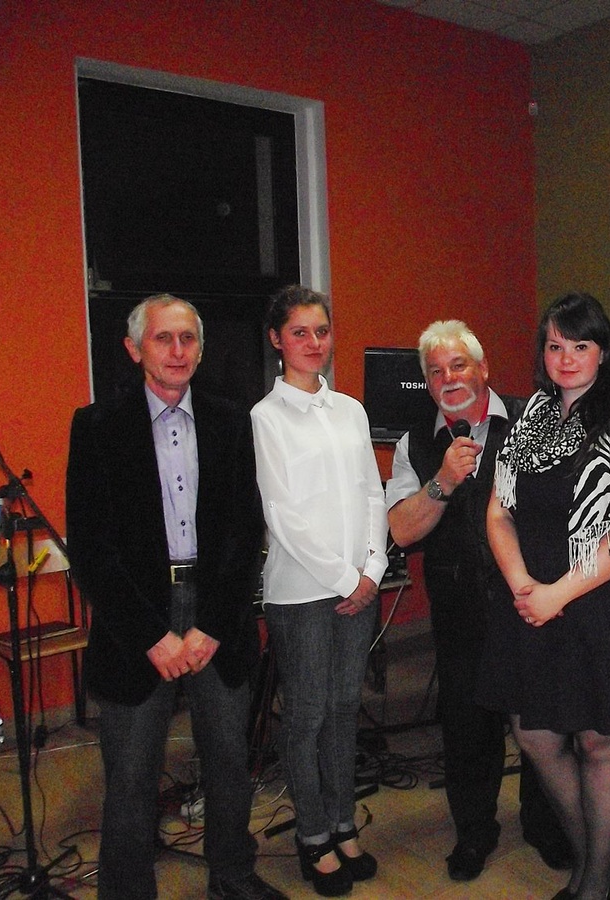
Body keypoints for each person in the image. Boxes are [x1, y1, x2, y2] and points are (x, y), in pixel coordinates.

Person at [66, 294, 284, 900]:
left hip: (217, 614)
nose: (178, 350)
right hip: (137, 619)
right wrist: (152, 637)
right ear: (134, 349)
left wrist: (211, 624)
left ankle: (232, 876)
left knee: (229, 763)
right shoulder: (97, 426)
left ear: (201, 349)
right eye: (164, 338)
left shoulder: (229, 420)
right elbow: (91, 548)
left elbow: (245, 530)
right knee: (132, 774)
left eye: (188, 338)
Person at [479, 293, 610, 900]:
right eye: (554, 345)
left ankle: (595, 879)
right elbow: (498, 513)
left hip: (596, 599)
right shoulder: (528, 418)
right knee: (535, 736)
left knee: (596, 739)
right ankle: (594, 853)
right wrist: (524, 587)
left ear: (603, 352)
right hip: (529, 599)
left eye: (580, 345)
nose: (565, 358)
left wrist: (557, 593)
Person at [385, 320, 571, 882]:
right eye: (436, 371)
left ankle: (545, 826)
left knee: (541, 721)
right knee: (467, 727)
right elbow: (401, 530)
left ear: (483, 368)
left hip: (529, 601)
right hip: (459, 608)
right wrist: (442, 481)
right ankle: (474, 833)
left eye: (459, 365)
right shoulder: (414, 444)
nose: (449, 379)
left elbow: (566, 506)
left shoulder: (535, 419)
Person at [250, 285, 387, 897]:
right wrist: (346, 579)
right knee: (305, 716)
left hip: (360, 585)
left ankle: (342, 823)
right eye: (300, 332)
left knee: (343, 710)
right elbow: (282, 515)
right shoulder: (266, 418)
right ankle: (311, 835)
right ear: (276, 340)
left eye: (322, 331)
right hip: (302, 593)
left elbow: (371, 494)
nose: (314, 343)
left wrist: (373, 568)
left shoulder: (351, 410)